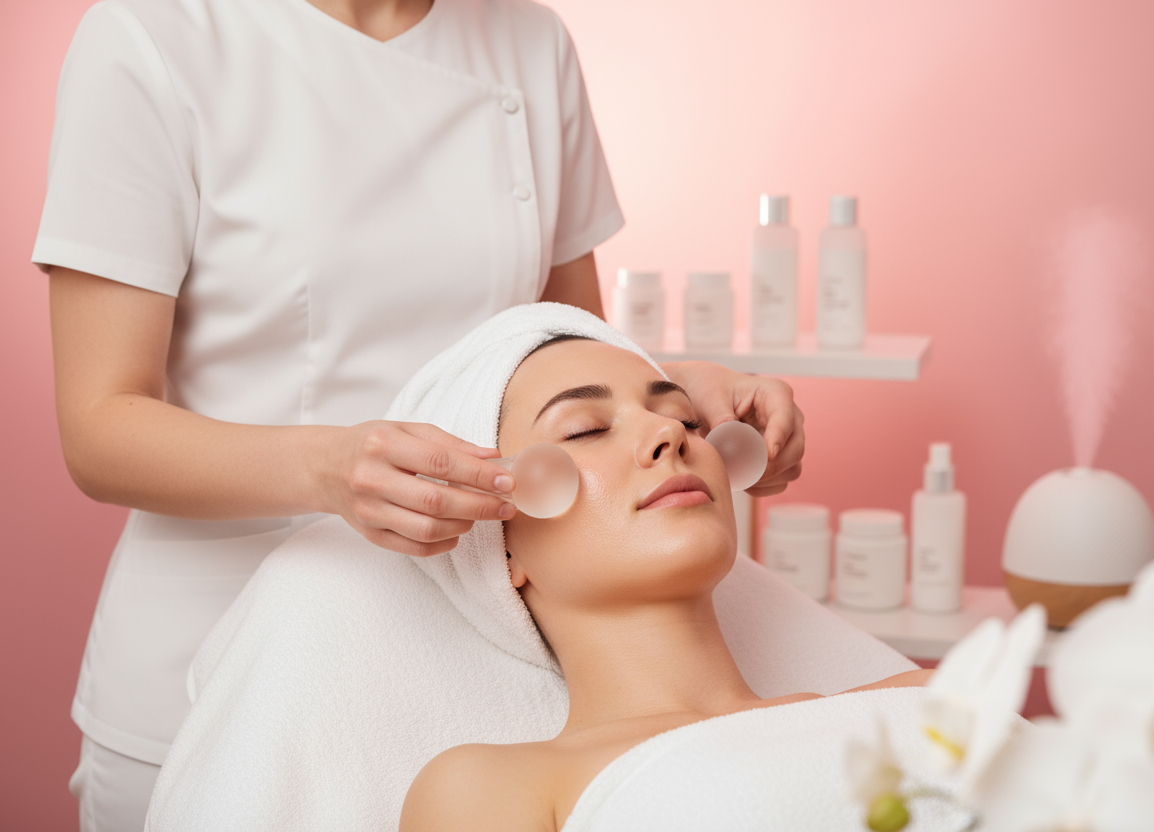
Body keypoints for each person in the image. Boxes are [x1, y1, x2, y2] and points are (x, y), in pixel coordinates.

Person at [33, 1, 805, 828]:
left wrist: (678, 394)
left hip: (487, 658)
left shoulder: (528, 41)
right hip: (215, 655)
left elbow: (565, 345)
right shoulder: (156, 35)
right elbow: (100, 426)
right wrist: (328, 470)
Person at [399, 334, 928, 831]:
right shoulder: (492, 789)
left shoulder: (922, 706)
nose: (669, 433)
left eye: (686, 419)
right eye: (585, 429)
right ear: (501, 546)